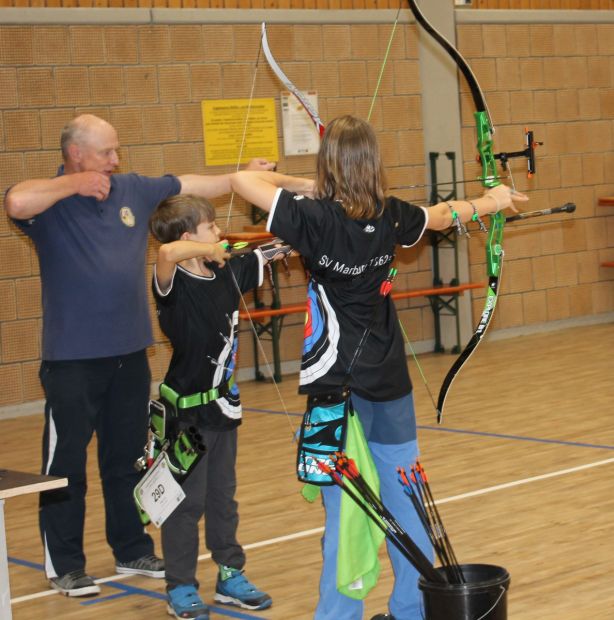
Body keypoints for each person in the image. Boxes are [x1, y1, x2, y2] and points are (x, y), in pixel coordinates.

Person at [227, 115, 528, 620]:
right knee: (406, 501)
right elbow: (441, 215)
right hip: (388, 382)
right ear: (373, 164)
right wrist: (491, 202)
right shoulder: (390, 215)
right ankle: (412, 610)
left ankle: (338, 615)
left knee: (344, 511)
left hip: (333, 387)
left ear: (330, 167)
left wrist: (304, 183)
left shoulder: (314, 218)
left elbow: (241, 181)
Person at [3, 113, 275, 597]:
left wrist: (243, 176)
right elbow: (16, 200)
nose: (115, 160)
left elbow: (191, 182)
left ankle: (130, 546)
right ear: (77, 154)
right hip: (71, 359)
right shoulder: (51, 205)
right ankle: (65, 564)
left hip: (130, 352)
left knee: (127, 459)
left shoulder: (129, 188)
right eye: (106, 152)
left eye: (116, 151)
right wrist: (75, 186)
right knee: (65, 463)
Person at [149, 194, 300, 619]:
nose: (219, 231)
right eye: (211, 226)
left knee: (222, 498)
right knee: (185, 503)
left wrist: (314, 214)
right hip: (185, 417)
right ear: (188, 235)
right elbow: (166, 251)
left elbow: (282, 246)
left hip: (223, 409)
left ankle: (230, 573)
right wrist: (207, 248)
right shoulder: (172, 284)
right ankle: (180, 585)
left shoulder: (228, 272)